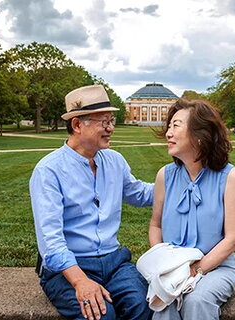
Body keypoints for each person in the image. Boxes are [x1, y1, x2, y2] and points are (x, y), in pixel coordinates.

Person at [30, 85, 154, 320]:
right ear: (77, 125)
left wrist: (178, 183)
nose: (110, 129)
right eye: (103, 122)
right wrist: (80, 281)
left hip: (114, 261)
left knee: (144, 306)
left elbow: (139, 194)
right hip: (68, 268)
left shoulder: (115, 160)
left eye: (112, 121)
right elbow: (51, 242)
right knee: (101, 316)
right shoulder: (48, 171)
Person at [148, 98, 235, 320]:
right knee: (164, 303)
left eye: (176, 125)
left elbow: (233, 239)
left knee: (197, 300)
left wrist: (195, 270)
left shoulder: (231, 177)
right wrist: (163, 263)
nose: (168, 133)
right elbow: (155, 224)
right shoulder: (165, 175)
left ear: (200, 135)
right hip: (172, 268)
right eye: (169, 126)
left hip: (216, 267)